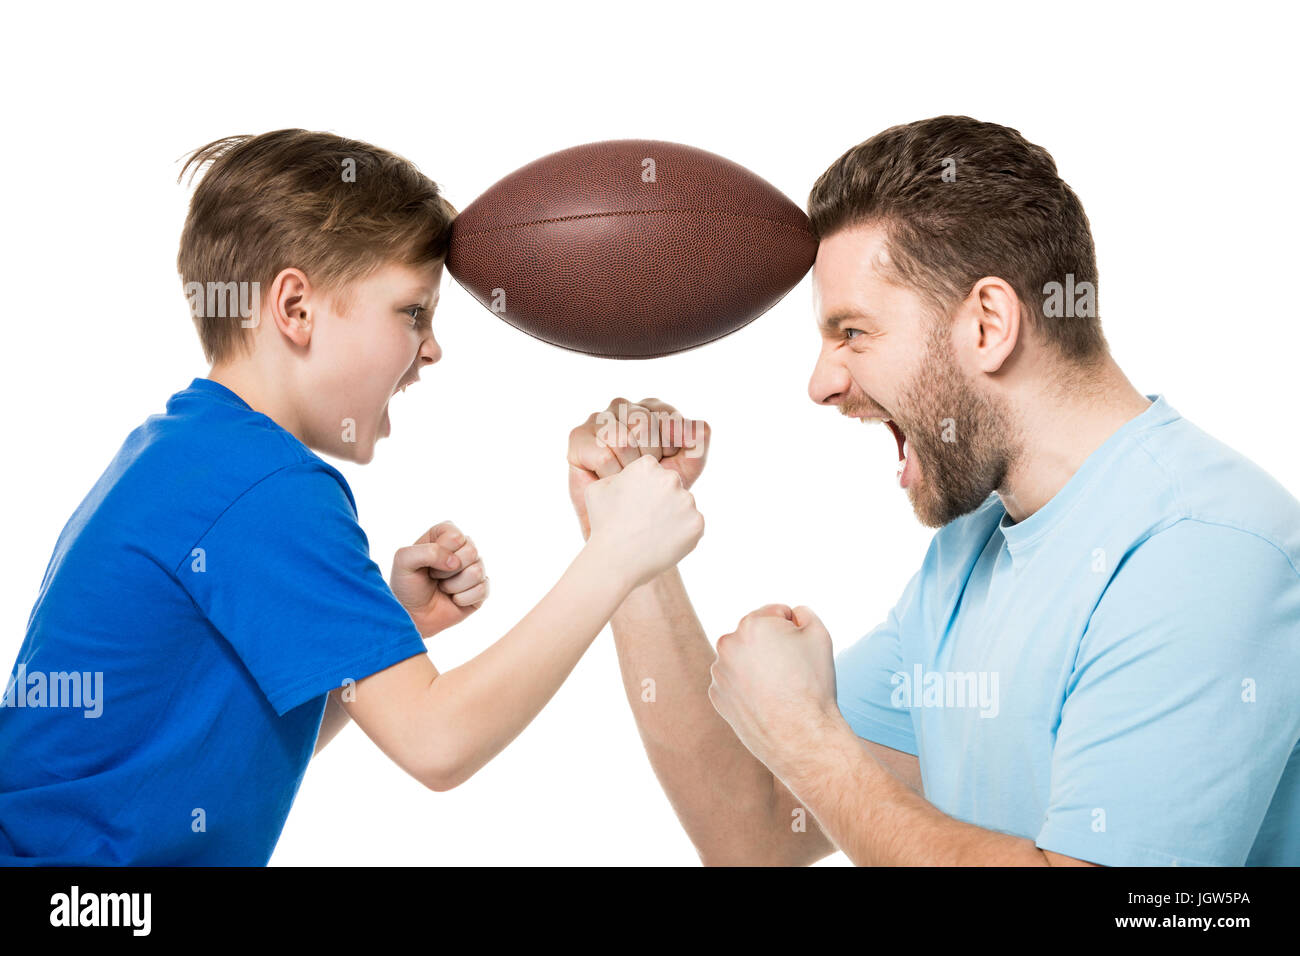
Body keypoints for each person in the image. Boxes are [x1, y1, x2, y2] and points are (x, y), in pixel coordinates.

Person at [567, 116, 1300, 866]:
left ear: (987, 324)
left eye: (852, 332)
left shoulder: (1204, 551)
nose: (821, 384)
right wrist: (628, 545)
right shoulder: (973, 549)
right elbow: (752, 827)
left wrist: (814, 742)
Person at [0, 129, 704, 865]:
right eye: (412, 312)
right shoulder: (267, 487)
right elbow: (439, 744)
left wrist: (367, 641)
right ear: (296, 308)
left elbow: (205, 749)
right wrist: (616, 554)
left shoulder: (184, 450)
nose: (432, 349)